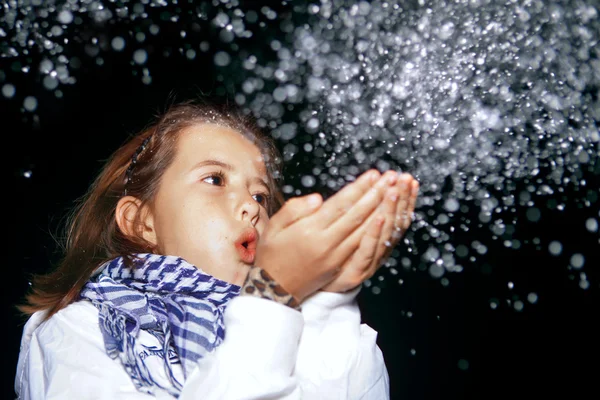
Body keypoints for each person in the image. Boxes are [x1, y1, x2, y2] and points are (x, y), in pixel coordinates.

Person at [15, 100, 419, 399]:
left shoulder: (286, 326)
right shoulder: (76, 329)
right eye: (214, 179)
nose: (251, 206)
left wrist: (330, 302)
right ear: (142, 222)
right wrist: (270, 298)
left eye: (261, 196)